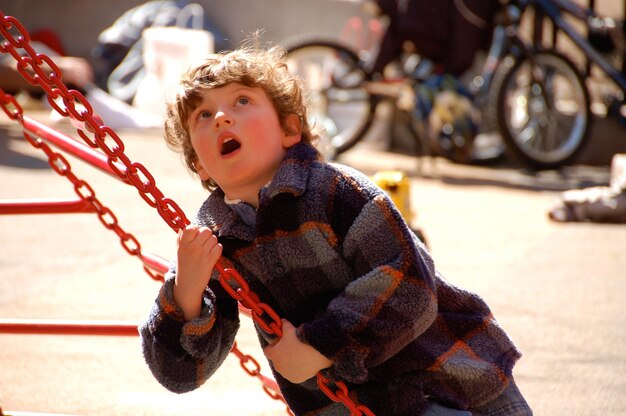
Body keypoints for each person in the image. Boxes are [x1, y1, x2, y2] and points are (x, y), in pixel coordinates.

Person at [139, 42, 533, 415]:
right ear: (200, 166)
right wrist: (185, 294)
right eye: (202, 116)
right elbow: (181, 375)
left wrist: (318, 345)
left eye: (242, 101)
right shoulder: (214, 239)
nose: (221, 117)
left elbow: (407, 283)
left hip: (450, 377)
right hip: (349, 405)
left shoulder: (336, 191)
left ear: (289, 132)